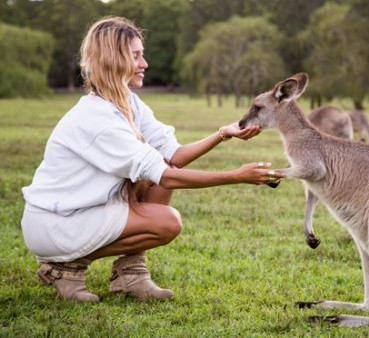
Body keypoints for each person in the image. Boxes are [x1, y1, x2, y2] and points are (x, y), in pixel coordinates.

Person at [20, 16, 284, 303]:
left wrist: (224, 133)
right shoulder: (96, 117)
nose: (144, 63)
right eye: (136, 56)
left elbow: (175, 156)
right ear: (113, 59)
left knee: (163, 175)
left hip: (86, 210)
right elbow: (167, 176)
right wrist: (236, 176)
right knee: (167, 222)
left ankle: (130, 274)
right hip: (57, 223)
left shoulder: (129, 103)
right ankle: (66, 268)